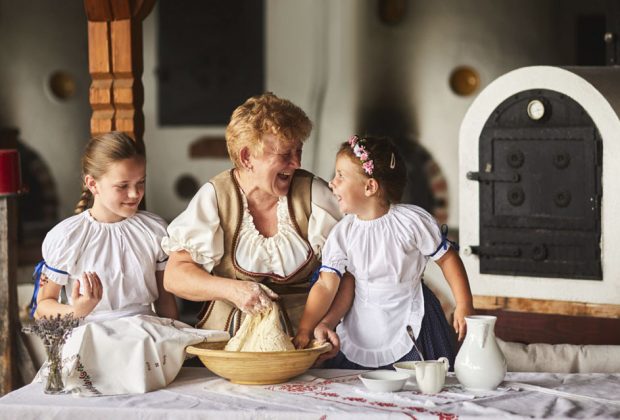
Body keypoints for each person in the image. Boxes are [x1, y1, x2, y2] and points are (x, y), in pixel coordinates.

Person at [30, 131, 224, 396]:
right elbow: (43, 307)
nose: (135, 194)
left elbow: (165, 301)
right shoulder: (67, 237)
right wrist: (79, 310)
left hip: (145, 338)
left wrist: (175, 341)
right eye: (122, 186)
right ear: (93, 183)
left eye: (141, 182)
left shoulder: (154, 230)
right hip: (92, 339)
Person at [162, 92, 342, 342]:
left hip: (305, 347)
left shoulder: (315, 196)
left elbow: (348, 273)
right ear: (247, 157)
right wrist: (232, 289)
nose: (296, 163)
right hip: (230, 348)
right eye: (285, 154)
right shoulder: (216, 198)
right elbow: (174, 276)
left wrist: (326, 323)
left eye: (298, 150)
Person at [294, 135, 475, 369]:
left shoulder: (411, 222)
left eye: (341, 175)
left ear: (370, 186)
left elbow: (448, 259)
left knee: (418, 384)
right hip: (362, 322)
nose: (332, 183)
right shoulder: (342, 233)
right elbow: (327, 285)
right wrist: (306, 328)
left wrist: (464, 303)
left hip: (413, 317)